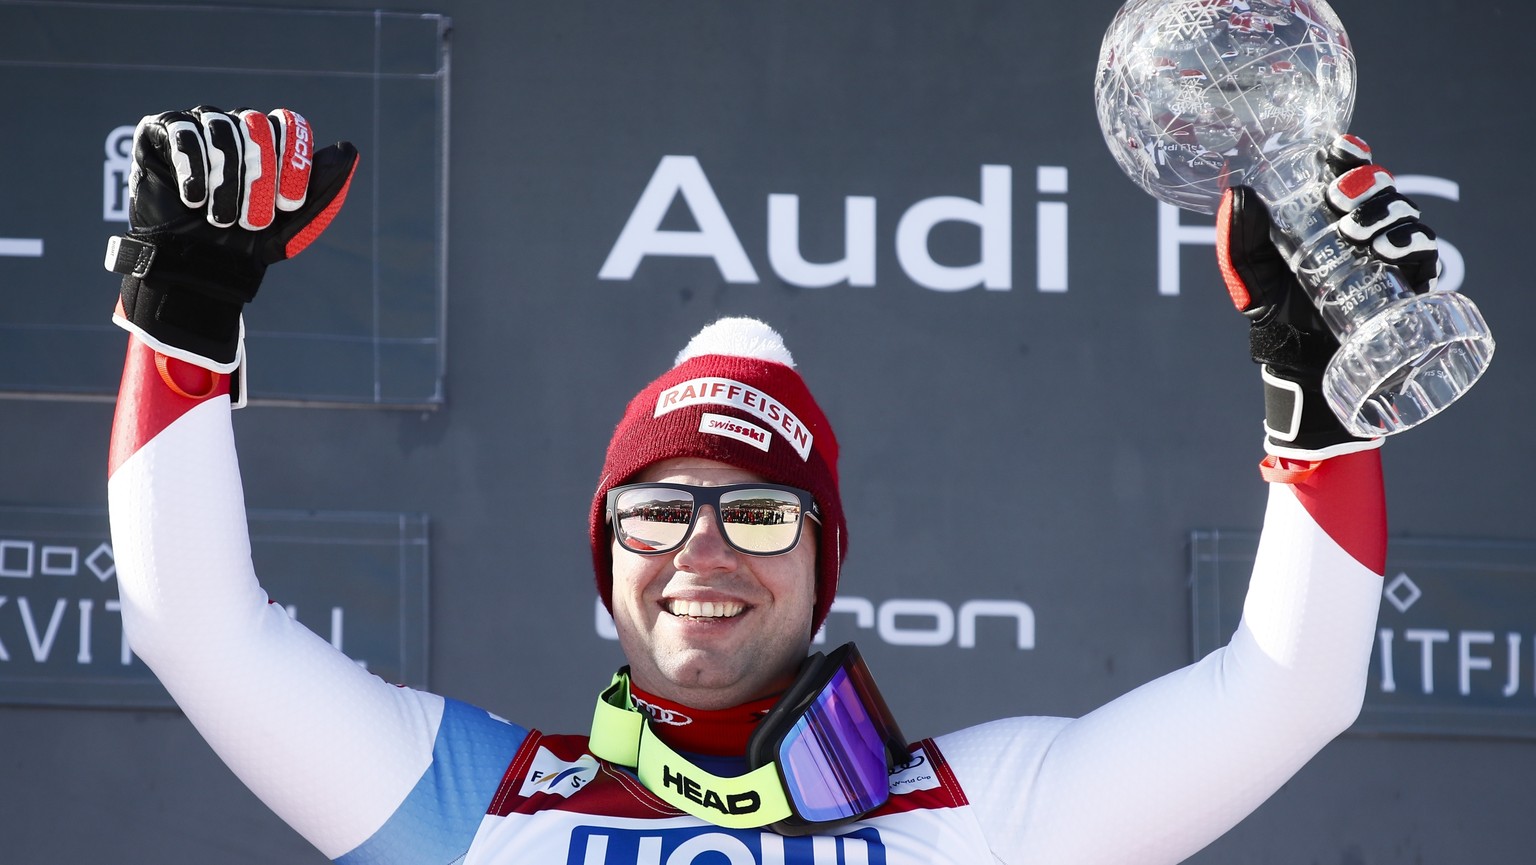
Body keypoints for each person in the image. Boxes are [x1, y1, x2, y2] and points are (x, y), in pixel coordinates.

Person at [104, 107, 1441, 863]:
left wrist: (1320, 407)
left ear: (823, 558)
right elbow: (195, 629)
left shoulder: (974, 817)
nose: (704, 547)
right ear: (606, 550)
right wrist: (184, 315)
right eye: (658, 506)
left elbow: (1293, 686)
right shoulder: (477, 804)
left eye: (756, 509)